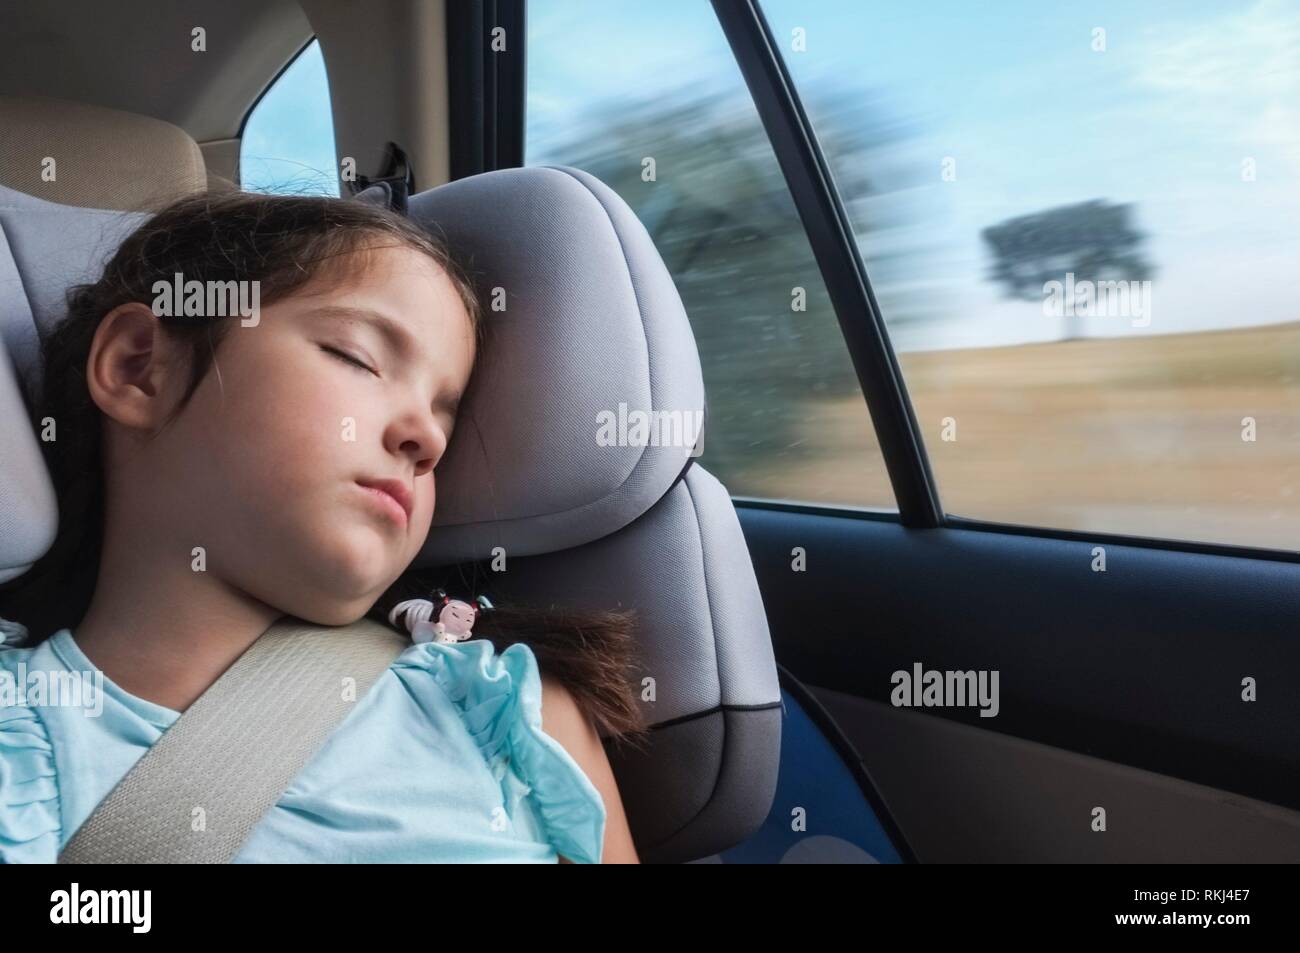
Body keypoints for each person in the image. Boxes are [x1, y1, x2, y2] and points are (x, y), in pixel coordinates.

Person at [0, 190, 648, 863]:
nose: (425, 436)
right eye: (359, 358)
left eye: (445, 416)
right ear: (141, 367)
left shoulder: (512, 714)